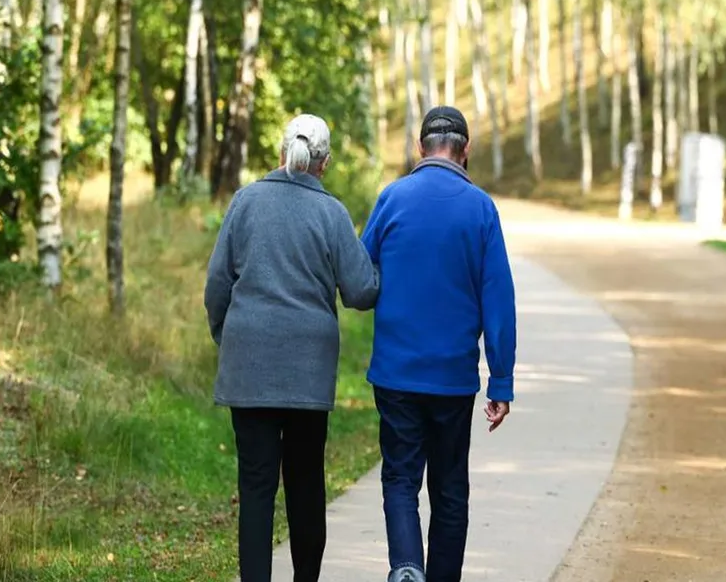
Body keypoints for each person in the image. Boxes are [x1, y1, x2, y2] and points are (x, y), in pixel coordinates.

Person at [204, 113, 380, 582]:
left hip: (249, 370)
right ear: (323, 164)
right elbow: (361, 292)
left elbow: (217, 284)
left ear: (282, 152)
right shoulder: (333, 214)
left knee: (257, 488)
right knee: (305, 486)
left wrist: (228, 334)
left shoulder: (245, 202)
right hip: (308, 374)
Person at [361, 106, 517, 582]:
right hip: (452, 379)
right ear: (466, 151)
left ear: (420, 147)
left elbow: (361, 277)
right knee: (450, 490)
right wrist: (502, 381)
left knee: (401, 479)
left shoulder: (392, 199)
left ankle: (407, 566)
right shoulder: (481, 209)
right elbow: (499, 300)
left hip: (395, 373)